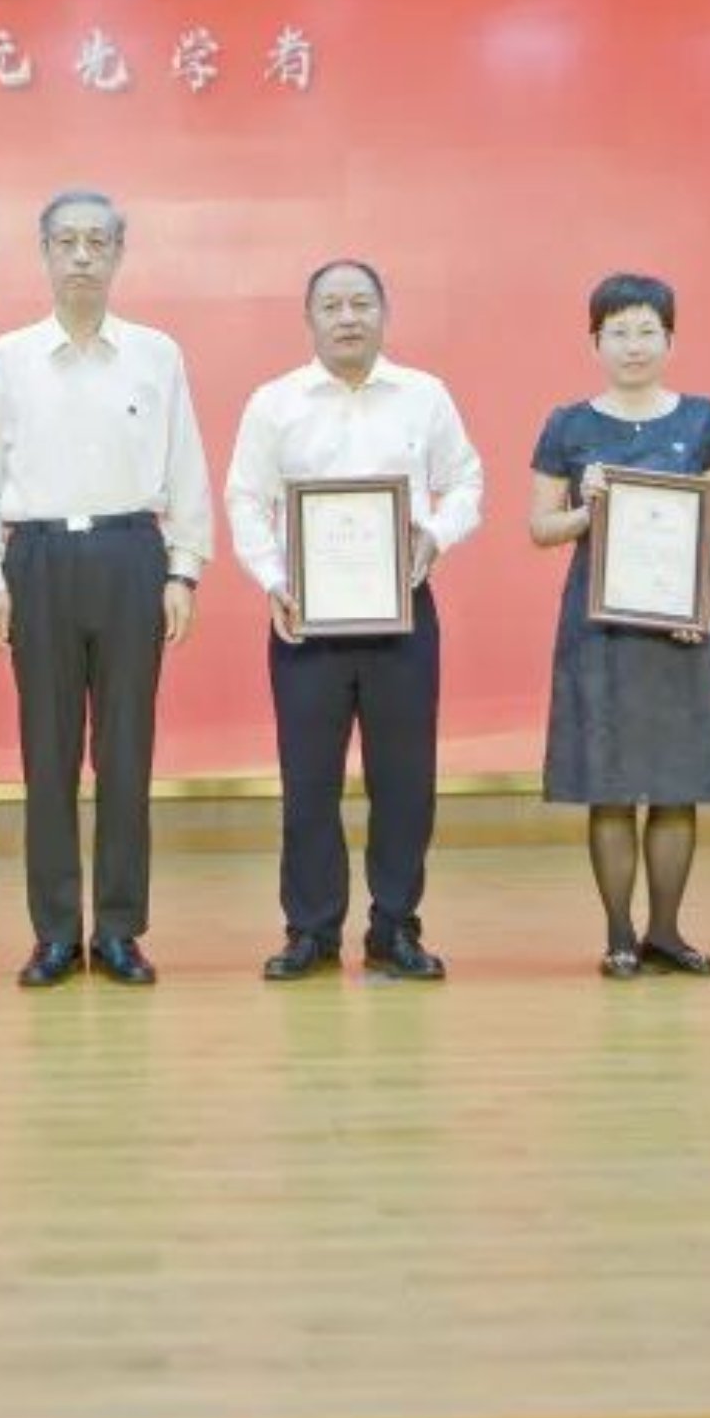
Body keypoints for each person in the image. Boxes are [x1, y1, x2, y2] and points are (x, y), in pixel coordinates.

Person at [0, 189, 215, 988]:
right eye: (65, 240)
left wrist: (183, 568)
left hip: (131, 551)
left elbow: (186, 465)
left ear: (117, 254)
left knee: (126, 752)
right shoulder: (6, 358)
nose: (80, 255)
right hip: (36, 557)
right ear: (43, 252)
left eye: (96, 242)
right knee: (48, 753)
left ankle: (120, 929)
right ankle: (55, 932)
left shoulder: (156, 354)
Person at [223, 258, 484, 983]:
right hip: (305, 619)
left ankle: (394, 927)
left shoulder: (424, 396)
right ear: (308, 319)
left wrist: (434, 534)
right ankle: (310, 930)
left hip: (403, 612)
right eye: (332, 305)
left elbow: (466, 481)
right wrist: (274, 581)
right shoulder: (274, 402)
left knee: (406, 780)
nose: (347, 317)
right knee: (308, 782)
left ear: (383, 313)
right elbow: (244, 498)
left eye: (361, 303)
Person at [532, 273, 710, 979]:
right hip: (599, 632)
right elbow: (540, 528)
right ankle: (619, 934)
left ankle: (666, 930)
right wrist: (585, 508)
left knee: (674, 784)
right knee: (608, 786)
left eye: (647, 331)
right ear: (594, 342)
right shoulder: (567, 425)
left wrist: (704, 591)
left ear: (670, 339)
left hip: (681, 625)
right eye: (618, 332)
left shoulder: (704, 420)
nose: (634, 345)